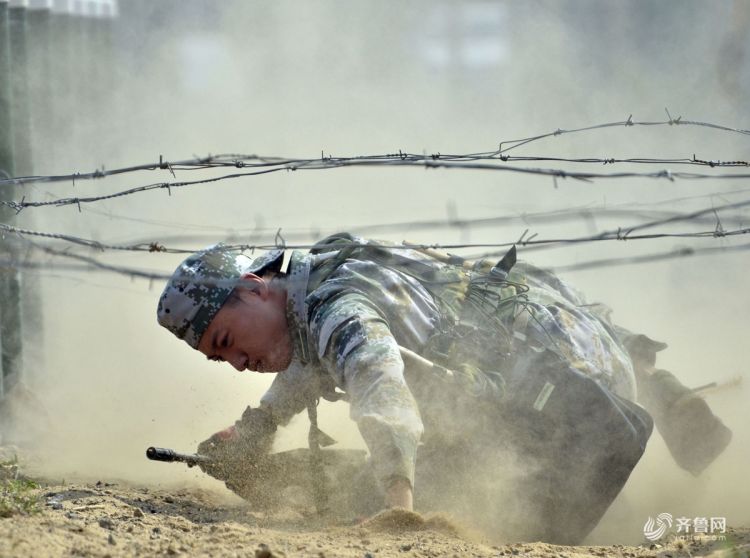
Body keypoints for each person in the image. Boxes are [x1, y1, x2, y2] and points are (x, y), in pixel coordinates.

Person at [156, 233, 730, 544]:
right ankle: (655, 382)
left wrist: (398, 507)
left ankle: (637, 421)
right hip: (561, 337)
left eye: (228, 340)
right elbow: (315, 356)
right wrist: (259, 425)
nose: (234, 363)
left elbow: (378, 387)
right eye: (218, 356)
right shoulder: (319, 275)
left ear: (254, 289)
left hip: (572, 398)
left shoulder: (340, 311)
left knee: (355, 498)